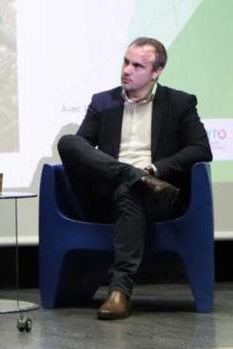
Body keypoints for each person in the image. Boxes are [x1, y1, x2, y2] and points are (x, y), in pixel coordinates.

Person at [57, 37, 212, 320]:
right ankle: (134, 176)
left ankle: (119, 292)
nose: (127, 70)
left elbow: (201, 149)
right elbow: (80, 150)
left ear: (156, 72)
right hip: (105, 193)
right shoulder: (102, 102)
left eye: (137, 65)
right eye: (126, 62)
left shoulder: (179, 103)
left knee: (130, 192)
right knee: (68, 143)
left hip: (156, 195)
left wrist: (154, 171)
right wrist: (134, 174)